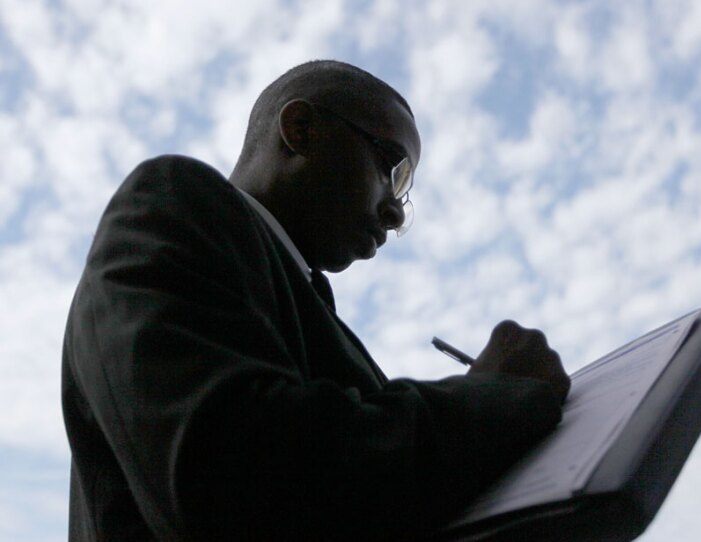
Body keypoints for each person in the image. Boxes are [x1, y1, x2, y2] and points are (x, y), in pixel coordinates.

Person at [62, 60, 570, 541]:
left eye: (405, 192)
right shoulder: (173, 203)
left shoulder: (305, 302)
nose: (395, 212)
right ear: (301, 129)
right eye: (391, 170)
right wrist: (491, 396)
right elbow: (235, 480)